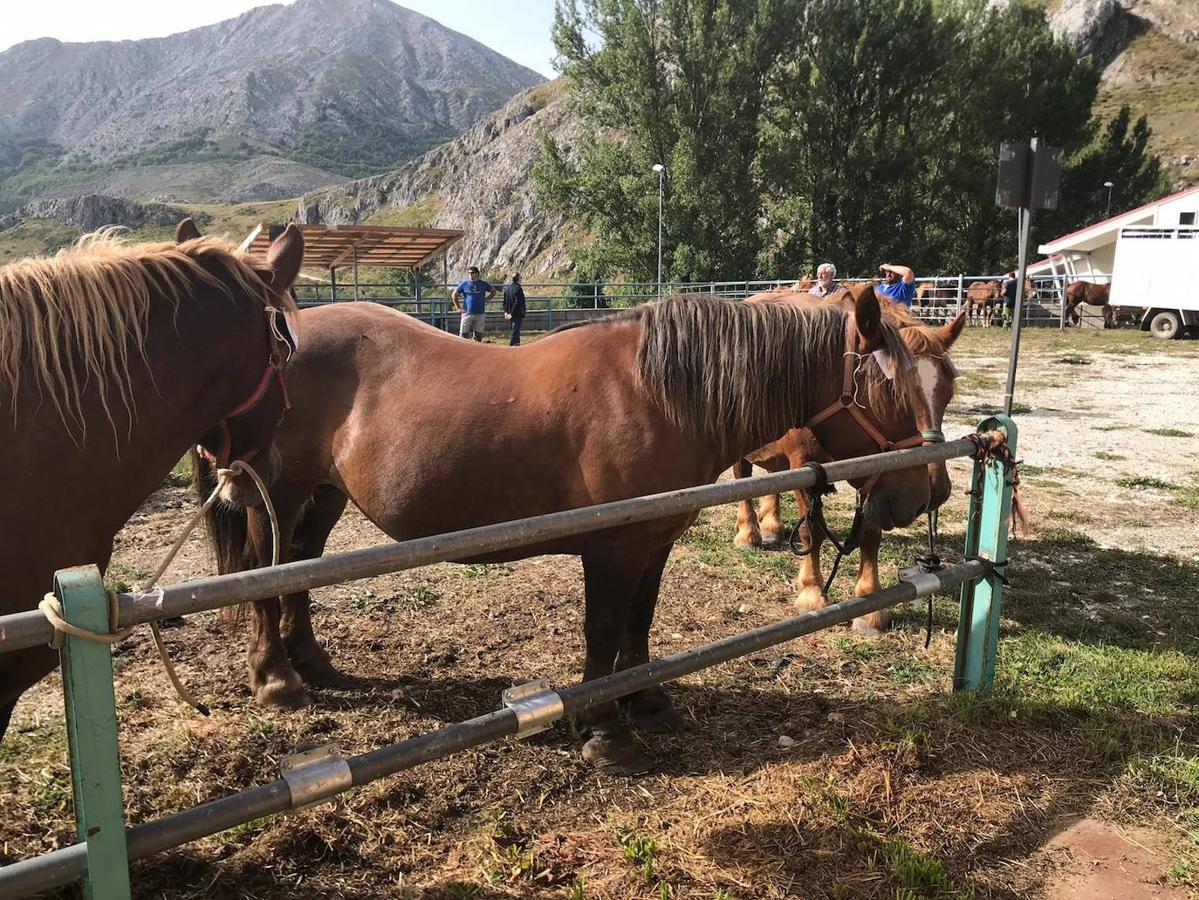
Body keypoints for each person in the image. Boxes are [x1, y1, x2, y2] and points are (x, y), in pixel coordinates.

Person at [452, 265, 495, 341]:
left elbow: (493, 291)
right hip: (467, 312)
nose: (470, 274)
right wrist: (458, 307)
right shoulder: (464, 284)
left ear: (477, 274)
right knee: (463, 335)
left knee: (478, 336)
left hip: (480, 313)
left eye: (472, 273)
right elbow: (454, 295)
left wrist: (487, 299)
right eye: (469, 273)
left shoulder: (483, 284)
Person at [503, 272, 527, 346]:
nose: (521, 279)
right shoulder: (518, 288)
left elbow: (505, 301)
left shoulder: (507, 288)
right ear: (518, 279)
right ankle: (512, 346)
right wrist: (511, 314)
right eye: (521, 278)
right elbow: (518, 302)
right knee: (515, 331)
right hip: (516, 313)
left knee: (515, 331)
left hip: (510, 312)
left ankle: (517, 345)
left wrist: (506, 312)